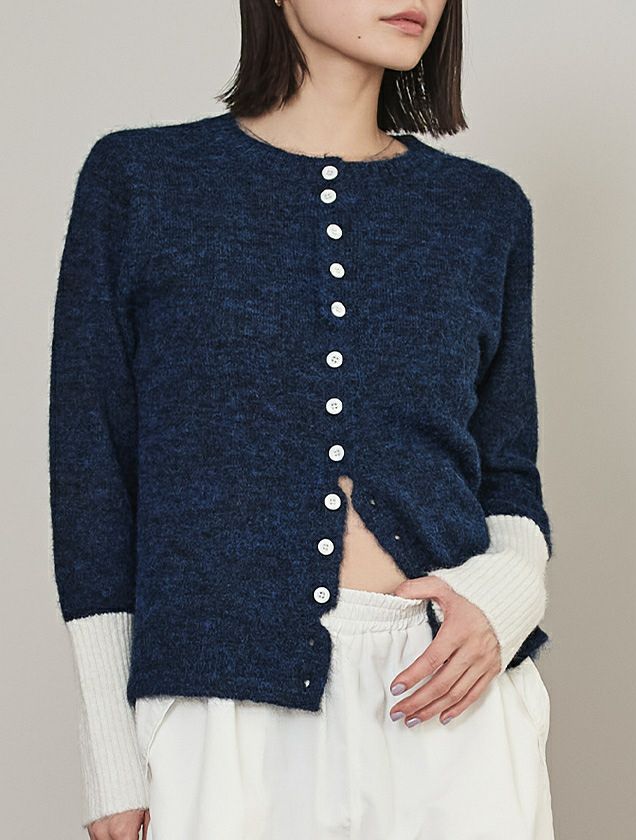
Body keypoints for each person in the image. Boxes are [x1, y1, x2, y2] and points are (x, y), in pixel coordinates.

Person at [48, 0, 556, 837]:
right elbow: (92, 475)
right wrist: (110, 745)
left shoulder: (484, 210)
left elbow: (507, 472)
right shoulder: (141, 182)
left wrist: (507, 595)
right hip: (226, 702)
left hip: (452, 699)